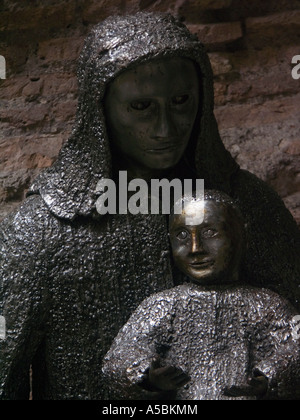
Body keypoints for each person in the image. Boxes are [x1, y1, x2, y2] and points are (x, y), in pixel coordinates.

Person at [0, 12, 299, 400]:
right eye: (141, 107)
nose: (165, 129)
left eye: (180, 102)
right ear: (100, 108)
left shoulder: (248, 206)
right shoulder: (44, 228)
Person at [102, 191, 300, 400]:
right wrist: (146, 376)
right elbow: (120, 356)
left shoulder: (265, 305)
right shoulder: (164, 305)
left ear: (239, 235)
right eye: (182, 236)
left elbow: (295, 348)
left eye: (209, 233)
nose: (195, 249)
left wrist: (269, 376)